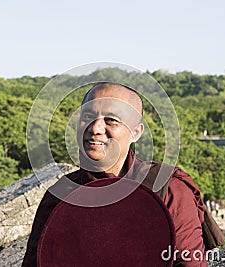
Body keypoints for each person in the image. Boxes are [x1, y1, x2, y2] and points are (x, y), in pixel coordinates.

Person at [23, 82, 209, 266]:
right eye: (87, 116)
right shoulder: (62, 193)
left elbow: (189, 263)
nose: (95, 129)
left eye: (111, 120)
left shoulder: (166, 189)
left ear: (136, 132)